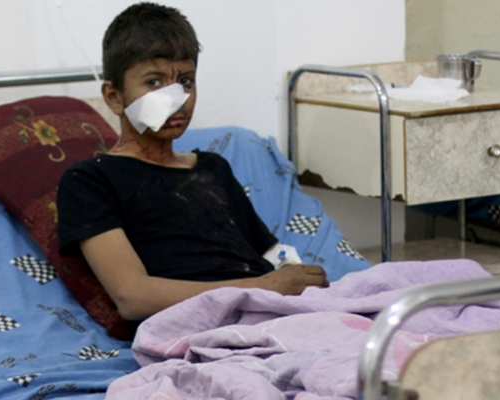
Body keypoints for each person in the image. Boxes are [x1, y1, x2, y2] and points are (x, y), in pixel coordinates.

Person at [57, 2, 328, 322]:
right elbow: (132, 297)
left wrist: (298, 280)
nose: (178, 99)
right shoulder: (90, 181)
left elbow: (271, 255)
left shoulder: (213, 168)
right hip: (200, 323)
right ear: (114, 97)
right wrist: (263, 288)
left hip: (271, 311)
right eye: (154, 83)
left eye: (185, 81)